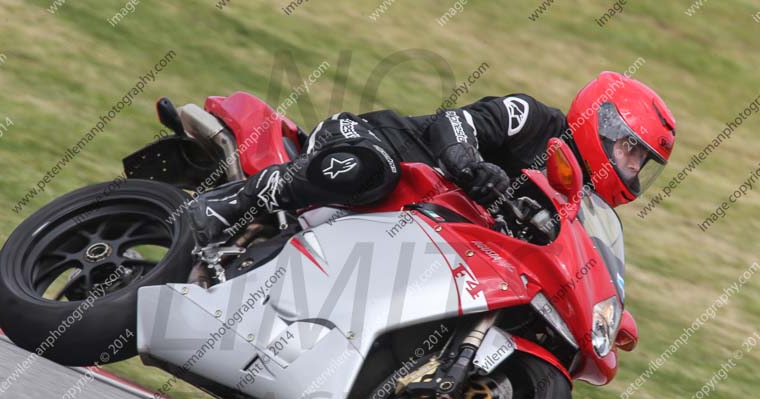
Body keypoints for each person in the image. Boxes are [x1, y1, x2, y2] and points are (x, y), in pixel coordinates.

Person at [187, 71, 675, 243]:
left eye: (642, 164)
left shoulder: (574, 208)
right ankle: (223, 207)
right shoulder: (534, 119)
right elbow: (454, 123)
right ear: (604, 124)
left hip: (410, 226)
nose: (633, 170)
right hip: (374, 143)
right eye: (633, 152)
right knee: (373, 169)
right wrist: (467, 164)